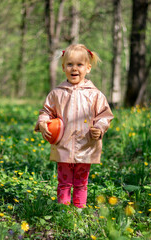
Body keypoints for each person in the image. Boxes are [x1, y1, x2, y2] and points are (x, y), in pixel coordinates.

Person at [35, 44, 114, 208]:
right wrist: (43, 123)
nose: (74, 68)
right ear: (63, 67)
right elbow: (46, 111)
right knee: (63, 181)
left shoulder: (95, 94)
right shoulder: (57, 93)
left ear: (88, 68)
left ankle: (78, 210)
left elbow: (105, 115)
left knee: (81, 182)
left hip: (86, 146)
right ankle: (63, 211)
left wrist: (99, 129)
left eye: (79, 65)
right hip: (63, 145)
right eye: (70, 64)